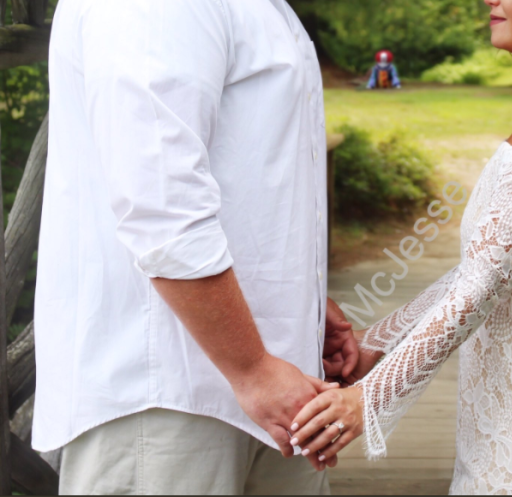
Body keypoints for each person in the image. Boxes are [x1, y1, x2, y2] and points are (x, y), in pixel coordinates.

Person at [289, 0, 512, 493]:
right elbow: (486, 269)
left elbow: (479, 285)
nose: (489, 0)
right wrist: (376, 343)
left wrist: (369, 398)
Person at [33, 0, 358, 494]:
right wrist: (250, 368)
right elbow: (162, 205)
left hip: (269, 383)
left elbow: (246, 165)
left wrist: (298, 301)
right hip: (167, 398)